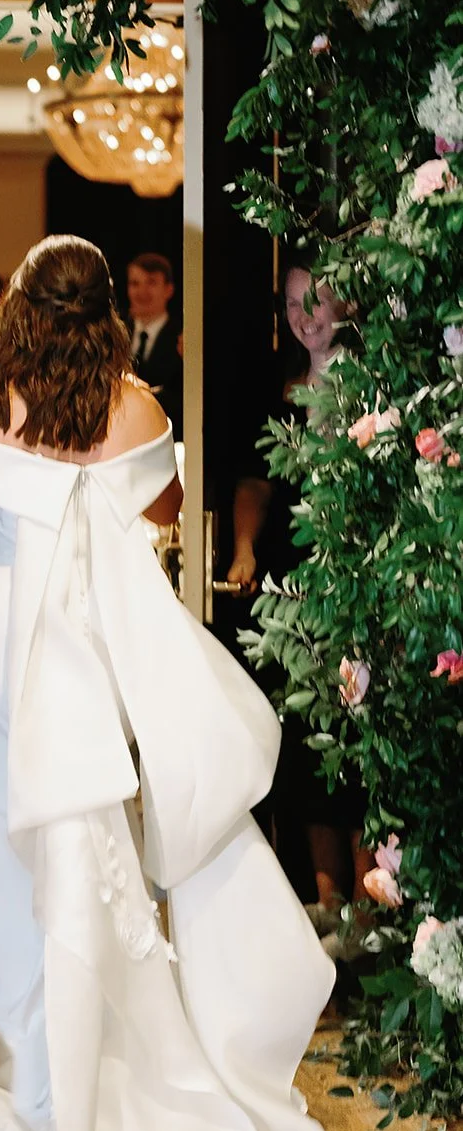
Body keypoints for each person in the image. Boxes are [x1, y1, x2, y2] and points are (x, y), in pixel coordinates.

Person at [0, 234, 333, 1131]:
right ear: (103, 310)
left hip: (3, 628)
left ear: (24, 309)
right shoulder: (136, 406)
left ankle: (11, 1043)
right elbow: (167, 504)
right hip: (84, 634)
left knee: (7, 811)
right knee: (85, 820)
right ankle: (80, 1043)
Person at [227, 261, 373, 946]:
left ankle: (371, 908)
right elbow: (254, 485)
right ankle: (326, 906)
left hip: (359, 587)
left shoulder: (373, 388)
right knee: (306, 745)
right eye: (290, 303)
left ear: (346, 304)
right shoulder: (279, 391)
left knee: (357, 742)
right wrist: (244, 548)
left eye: (314, 300)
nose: (302, 315)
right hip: (293, 589)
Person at [126, 251, 183, 438]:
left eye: (151, 282)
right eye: (135, 283)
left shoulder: (184, 338)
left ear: (169, 289)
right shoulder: (113, 333)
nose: (142, 292)